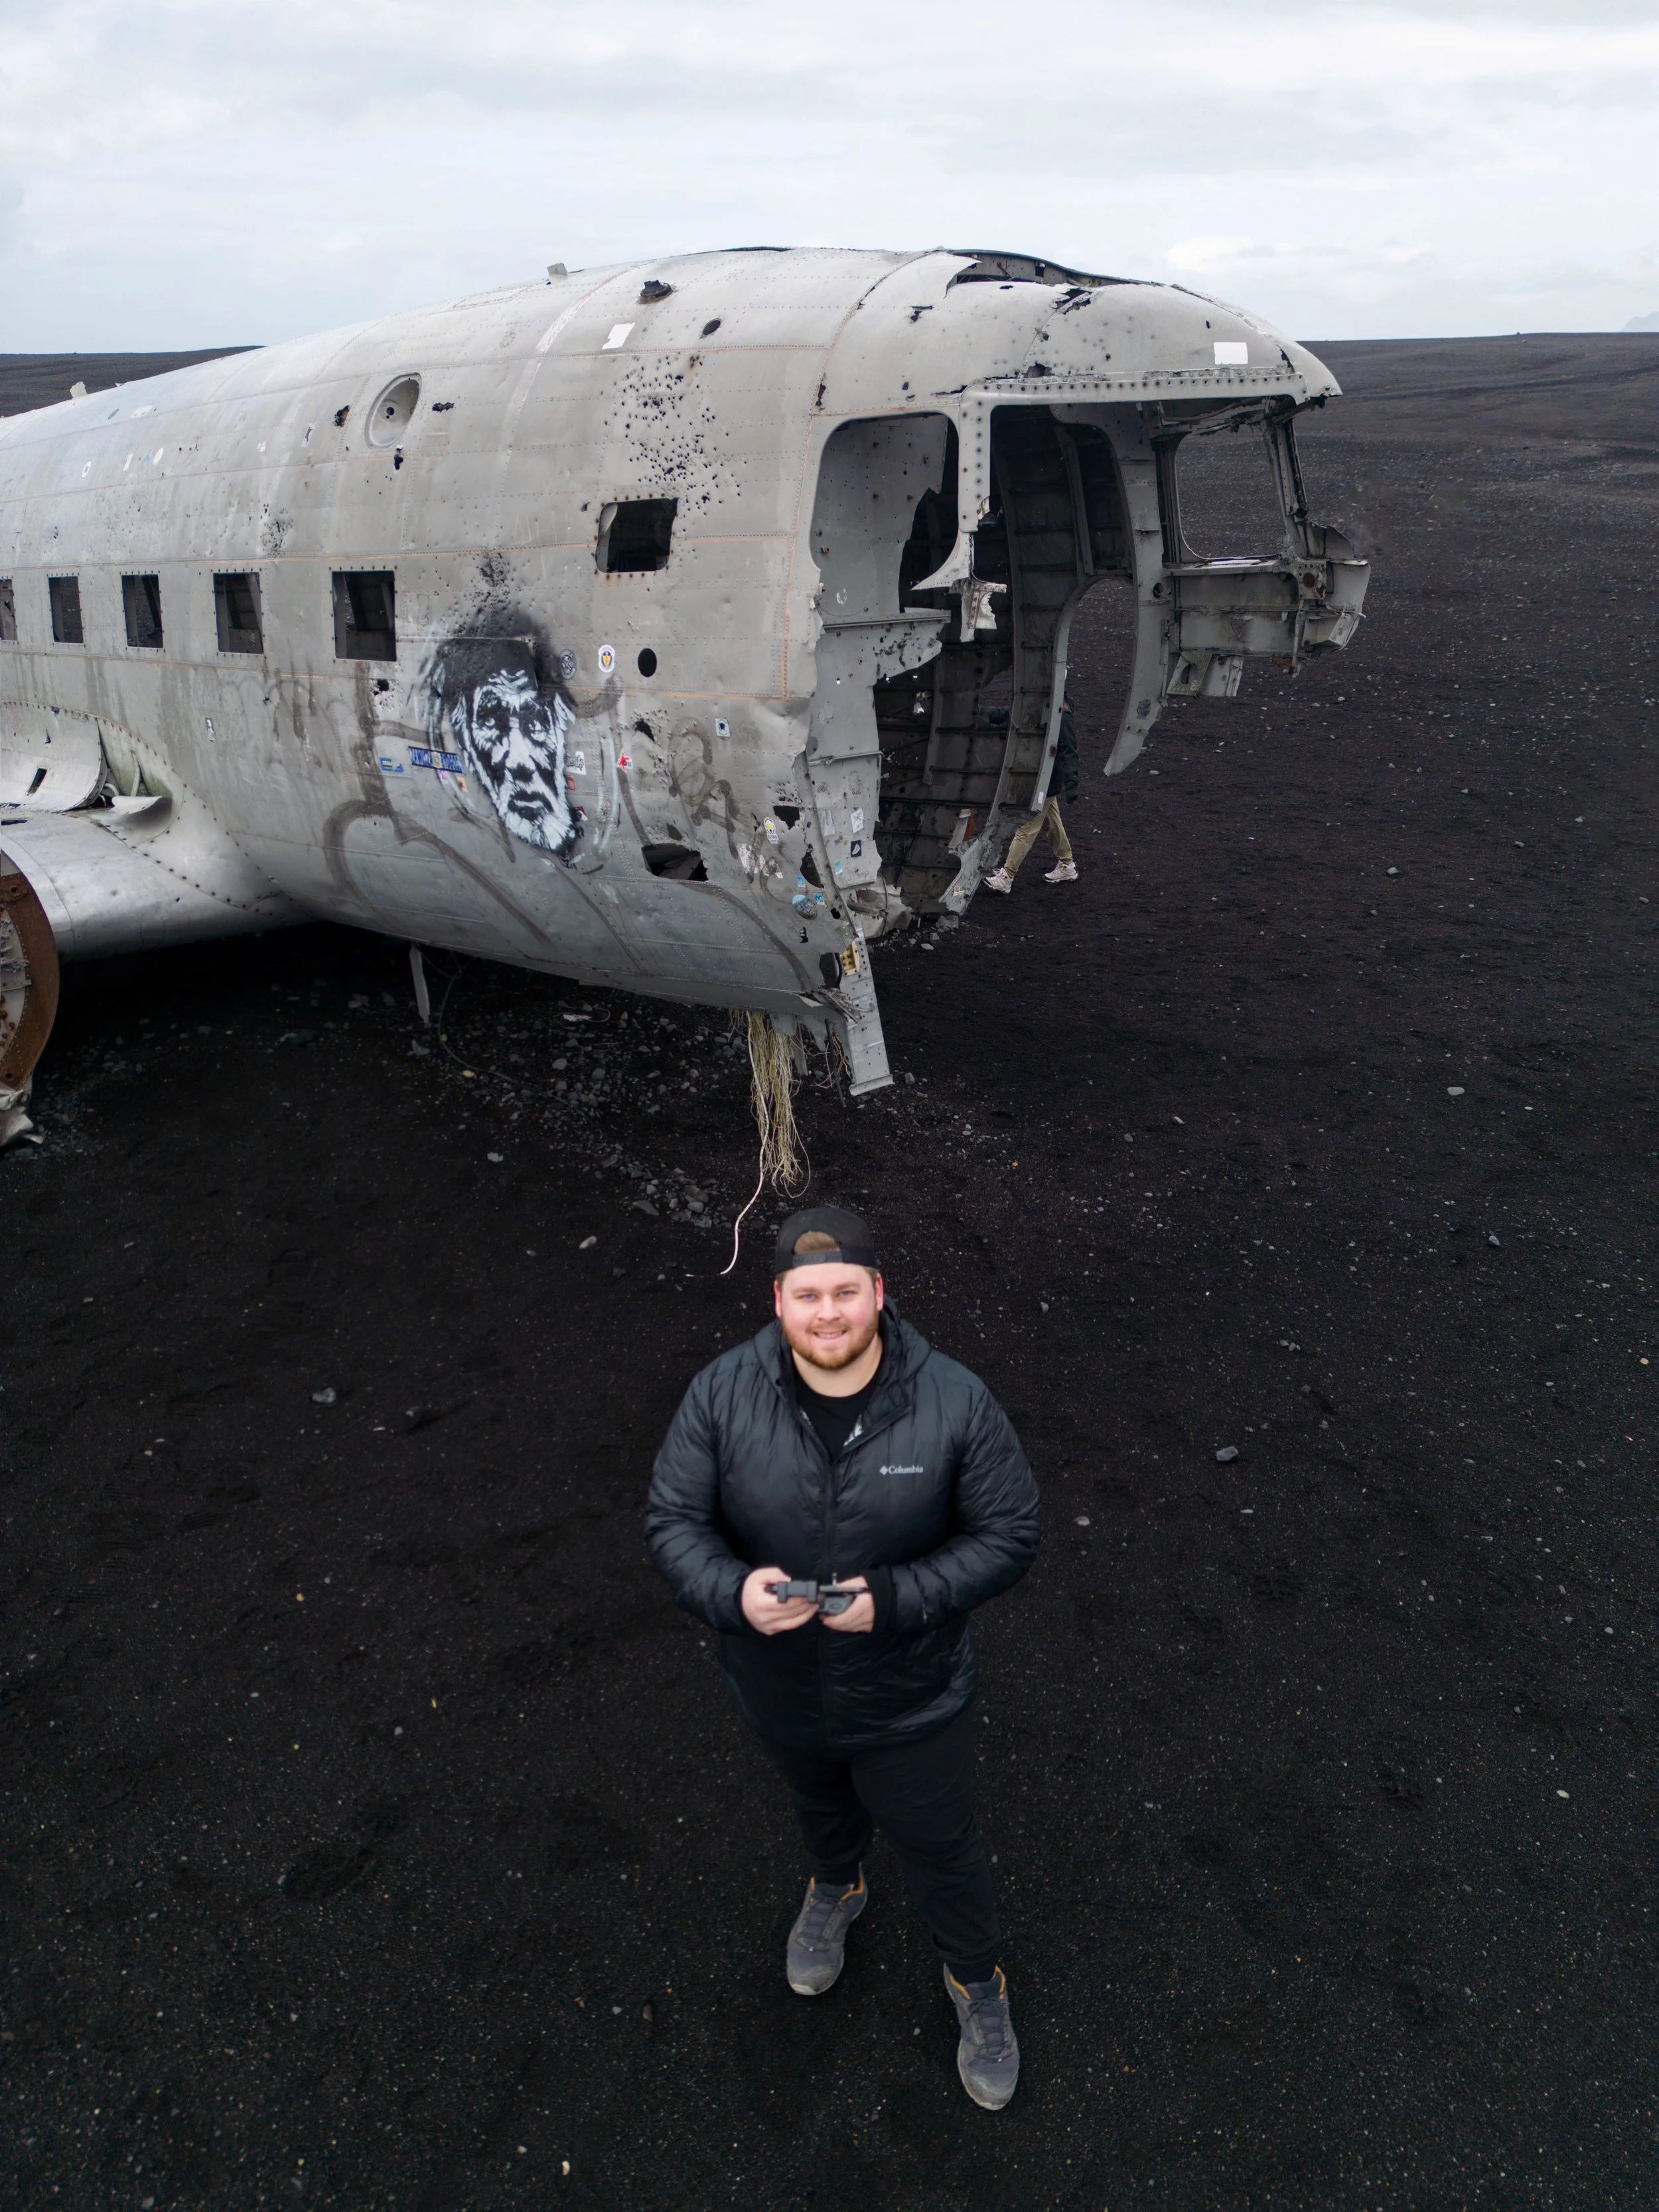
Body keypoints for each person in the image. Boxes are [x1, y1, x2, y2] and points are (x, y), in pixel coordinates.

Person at [646, 1205, 1041, 2108]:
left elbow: (1012, 1534)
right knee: (816, 1801)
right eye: (809, 1295)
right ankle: (837, 1886)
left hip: (910, 1696)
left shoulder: (953, 1399)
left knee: (942, 1847)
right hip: (778, 1683)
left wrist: (898, 1601)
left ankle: (978, 1984)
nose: (830, 1315)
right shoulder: (720, 1393)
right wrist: (729, 1594)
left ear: (879, 1294)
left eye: (847, 1293)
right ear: (778, 1299)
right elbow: (673, 1521)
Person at [982, 695, 1079, 892]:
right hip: (1043, 781)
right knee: (1052, 822)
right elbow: (1008, 714)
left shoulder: (1059, 715)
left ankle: (1007, 877)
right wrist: (980, 712)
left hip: (1044, 783)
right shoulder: (1045, 705)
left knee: (1027, 827)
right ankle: (1067, 865)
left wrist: (1072, 783)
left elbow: (1069, 751)